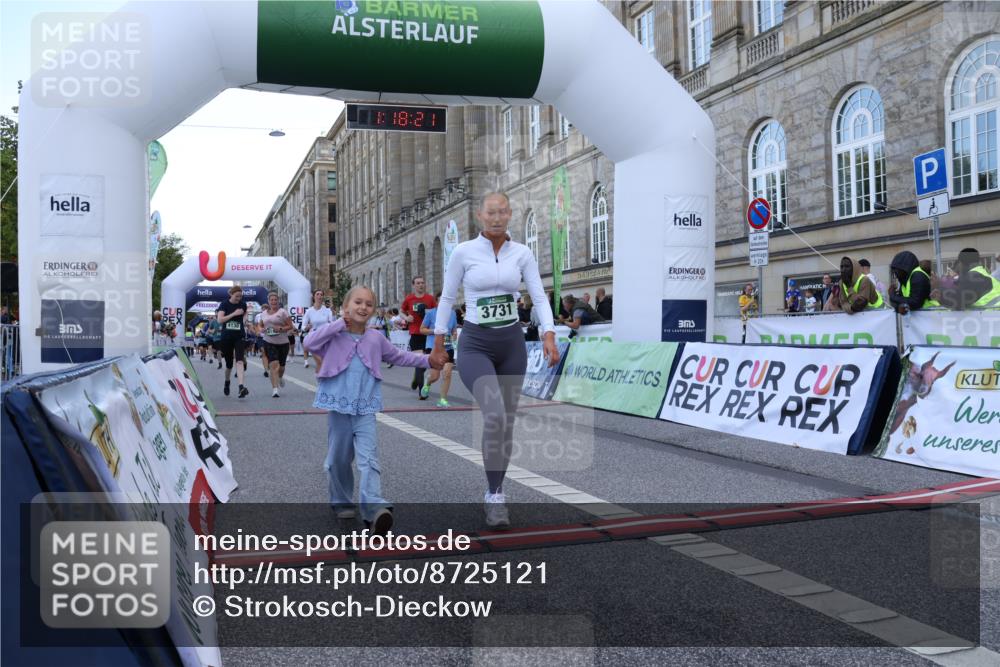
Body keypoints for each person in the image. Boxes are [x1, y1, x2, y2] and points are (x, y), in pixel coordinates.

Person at [430, 192, 559, 528]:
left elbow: (539, 295)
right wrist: (439, 341)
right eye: (491, 212)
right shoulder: (463, 252)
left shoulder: (522, 253)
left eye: (503, 212)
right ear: (480, 216)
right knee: (495, 415)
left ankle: (495, 490)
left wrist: (548, 333)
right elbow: (446, 297)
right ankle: (494, 496)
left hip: (512, 343)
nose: (497, 217)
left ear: (510, 215)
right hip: (475, 344)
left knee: (506, 423)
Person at [304, 286, 442, 533]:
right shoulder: (333, 334)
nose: (363, 307)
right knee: (339, 459)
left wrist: (427, 360)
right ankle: (342, 502)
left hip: (365, 408)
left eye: (368, 304)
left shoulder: (376, 338)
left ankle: (374, 508)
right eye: (357, 302)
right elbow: (309, 342)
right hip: (339, 407)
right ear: (345, 307)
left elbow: (399, 356)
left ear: (373, 310)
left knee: (369, 459)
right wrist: (337, 324)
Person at [419, 292, 458, 407]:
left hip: (448, 346)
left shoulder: (452, 313)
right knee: (435, 376)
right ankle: (428, 382)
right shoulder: (431, 313)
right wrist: (435, 331)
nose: (444, 303)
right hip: (434, 346)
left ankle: (442, 399)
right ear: (436, 302)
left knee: (447, 373)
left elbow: (454, 329)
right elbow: (422, 329)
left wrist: (454, 335)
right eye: (441, 301)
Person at [401, 276, 436, 393]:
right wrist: (406, 318)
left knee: (425, 363)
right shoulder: (409, 298)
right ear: (414, 285)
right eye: (418, 283)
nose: (421, 285)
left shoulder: (430, 299)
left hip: (428, 334)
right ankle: (422, 392)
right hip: (415, 333)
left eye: (422, 283)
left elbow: (436, 313)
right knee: (420, 361)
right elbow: (401, 311)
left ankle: (416, 379)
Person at [936, 248, 1000, 309]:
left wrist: (940, 296)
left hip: (992, 315)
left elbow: (958, 302)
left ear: (961, 263)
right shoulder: (983, 273)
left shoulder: (970, 277)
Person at [216, 286, 250, 398]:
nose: (239, 298)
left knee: (239, 361)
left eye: (241, 296)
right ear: (231, 294)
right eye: (237, 296)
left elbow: (245, 315)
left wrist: (244, 321)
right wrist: (234, 314)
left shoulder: (243, 304)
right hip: (226, 337)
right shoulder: (224, 304)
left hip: (239, 336)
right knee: (229, 365)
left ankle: (241, 387)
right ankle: (227, 382)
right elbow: (220, 320)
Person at [260, 291, 294, 397]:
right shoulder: (263, 313)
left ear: (278, 301)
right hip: (269, 341)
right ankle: (275, 389)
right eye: (271, 300)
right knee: (273, 365)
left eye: (275, 300)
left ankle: (280, 377)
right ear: (269, 301)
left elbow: (290, 326)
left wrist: (280, 328)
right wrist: (261, 330)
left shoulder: (283, 312)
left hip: (283, 342)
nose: (274, 302)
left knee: (281, 367)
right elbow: (260, 325)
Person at [301, 289, 334, 370]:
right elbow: (303, 326)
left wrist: (330, 324)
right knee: (320, 362)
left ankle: (324, 375)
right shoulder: (309, 311)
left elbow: (332, 323)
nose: (319, 296)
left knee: (324, 360)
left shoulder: (327, 310)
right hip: (315, 337)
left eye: (321, 294)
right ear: (314, 296)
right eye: (317, 294)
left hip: (325, 337)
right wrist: (306, 327)